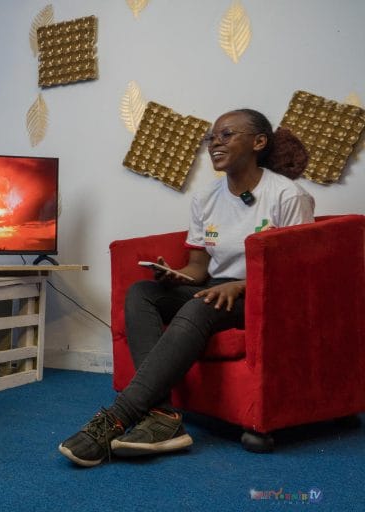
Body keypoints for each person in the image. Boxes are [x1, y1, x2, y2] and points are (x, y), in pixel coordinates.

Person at [59, 108, 315, 467]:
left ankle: (118, 416)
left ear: (259, 142)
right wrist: (177, 275)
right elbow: (199, 267)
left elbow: (295, 271)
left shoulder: (288, 196)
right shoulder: (206, 199)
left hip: (265, 295)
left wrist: (241, 286)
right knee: (143, 293)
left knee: (201, 304)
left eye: (226, 135)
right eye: (211, 137)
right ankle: (163, 416)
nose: (214, 143)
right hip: (216, 289)